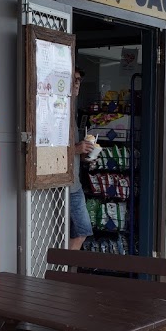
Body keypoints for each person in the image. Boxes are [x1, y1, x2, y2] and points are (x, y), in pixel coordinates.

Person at [69, 68, 94, 250]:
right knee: (81, 230)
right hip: (63, 186)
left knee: (81, 231)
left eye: (79, 80)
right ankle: (62, 274)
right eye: (73, 79)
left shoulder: (72, 110)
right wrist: (77, 149)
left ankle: (65, 274)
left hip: (74, 185)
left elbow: (73, 149)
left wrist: (85, 155)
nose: (77, 83)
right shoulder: (59, 109)